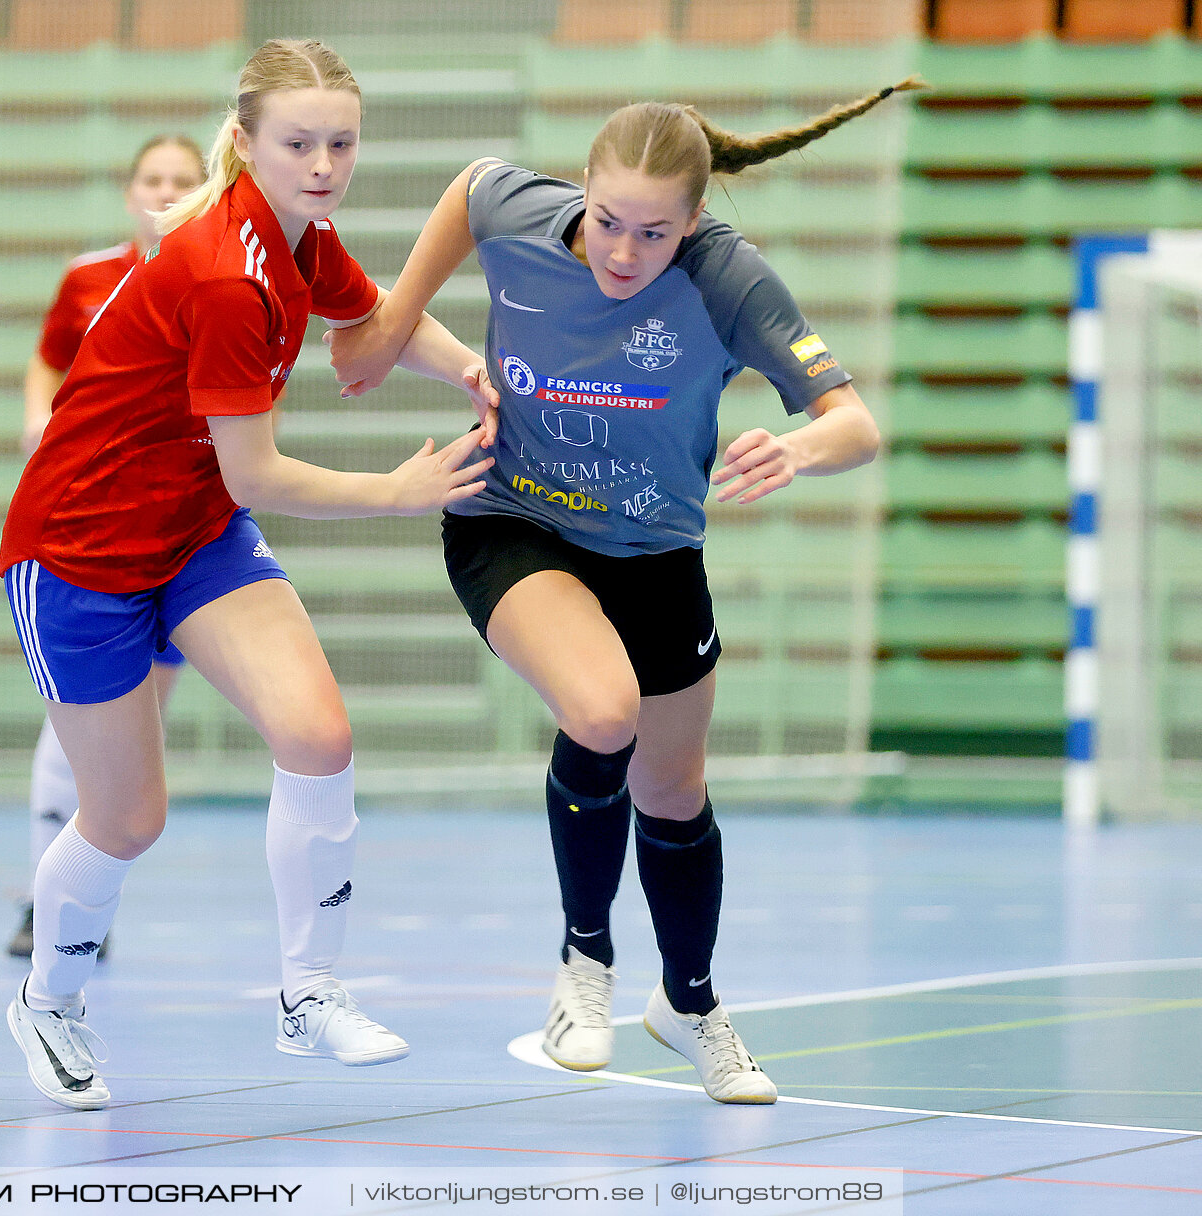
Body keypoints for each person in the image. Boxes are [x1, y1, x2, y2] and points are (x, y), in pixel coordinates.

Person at [327, 81, 923, 1103]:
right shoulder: (517, 215)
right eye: (607, 220)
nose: (622, 251)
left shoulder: (727, 280)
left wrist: (799, 448)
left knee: (671, 789)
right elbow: (471, 185)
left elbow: (856, 422)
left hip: (655, 551)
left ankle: (688, 1004)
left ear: (694, 220)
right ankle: (583, 966)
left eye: (653, 232)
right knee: (602, 710)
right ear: (582, 194)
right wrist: (396, 318)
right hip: (510, 521)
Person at [0, 38, 499, 1111]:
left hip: (193, 534)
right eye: (298, 143)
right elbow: (259, 470)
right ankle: (48, 998)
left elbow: (369, 325)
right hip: (79, 552)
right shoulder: (224, 271)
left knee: (318, 733)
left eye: (341, 143)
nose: (323, 163)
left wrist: (472, 367)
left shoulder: (300, 233)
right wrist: (399, 490)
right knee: (129, 818)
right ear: (245, 143)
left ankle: (308, 994)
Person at [11, 134, 208, 961]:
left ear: (207, 192)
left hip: (179, 529)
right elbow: (48, 361)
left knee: (138, 741)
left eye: (183, 181)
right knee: (78, 727)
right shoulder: (90, 278)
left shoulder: (222, 279)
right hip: (90, 533)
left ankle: (87, 899)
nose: (165, 190)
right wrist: (37, 420)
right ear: (131, 191)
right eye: (152, 178)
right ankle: (44, 906)